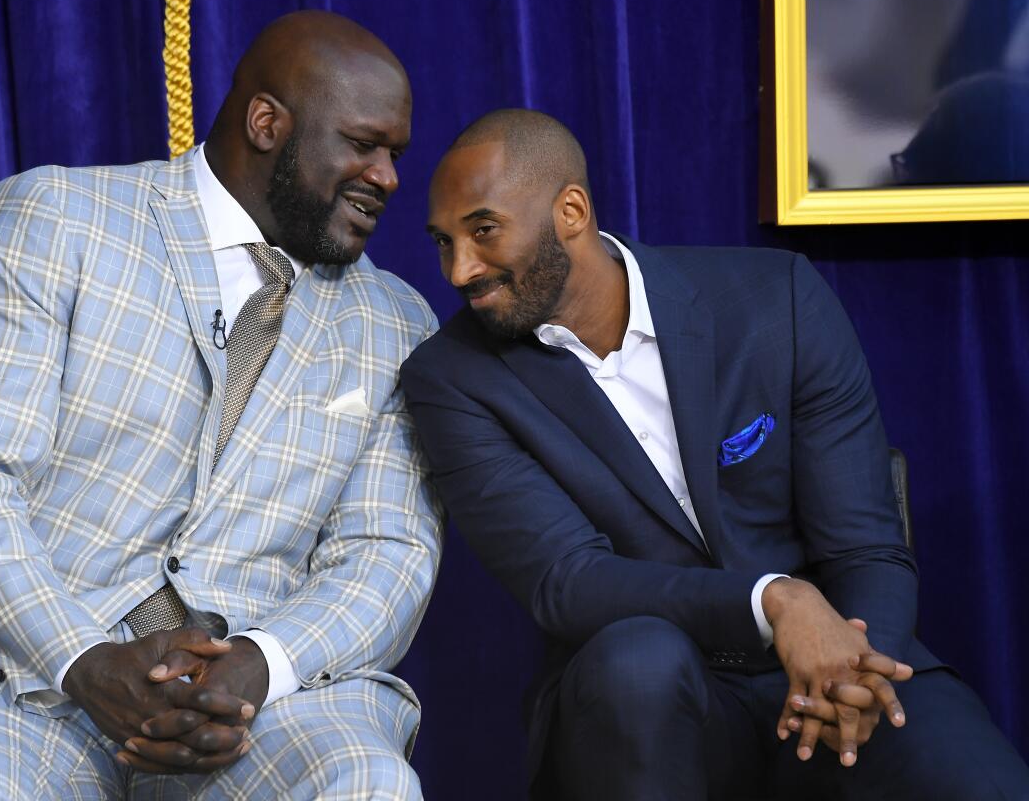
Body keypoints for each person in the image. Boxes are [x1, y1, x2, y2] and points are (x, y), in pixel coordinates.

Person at [0, 10, 443, 800]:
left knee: (366, 785)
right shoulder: (53, 221)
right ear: (267, 123)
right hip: (15, 680)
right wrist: (81, 658)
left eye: (396, 155)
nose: (389, 178)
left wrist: (261, 662)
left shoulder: (395, 321)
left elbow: (388, 551)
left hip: (259, 706)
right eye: (363, 145)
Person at [400, 108, 1029, 800]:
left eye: (482, 231)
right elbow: (568, 580)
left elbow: (865, 546)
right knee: (638, 664)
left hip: (841, 660)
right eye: (442, 242)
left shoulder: (776, 301)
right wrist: (774, 601)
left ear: (571, 211)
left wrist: (853, 672)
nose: (458, 269)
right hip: (648, 702)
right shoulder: (453, 377)